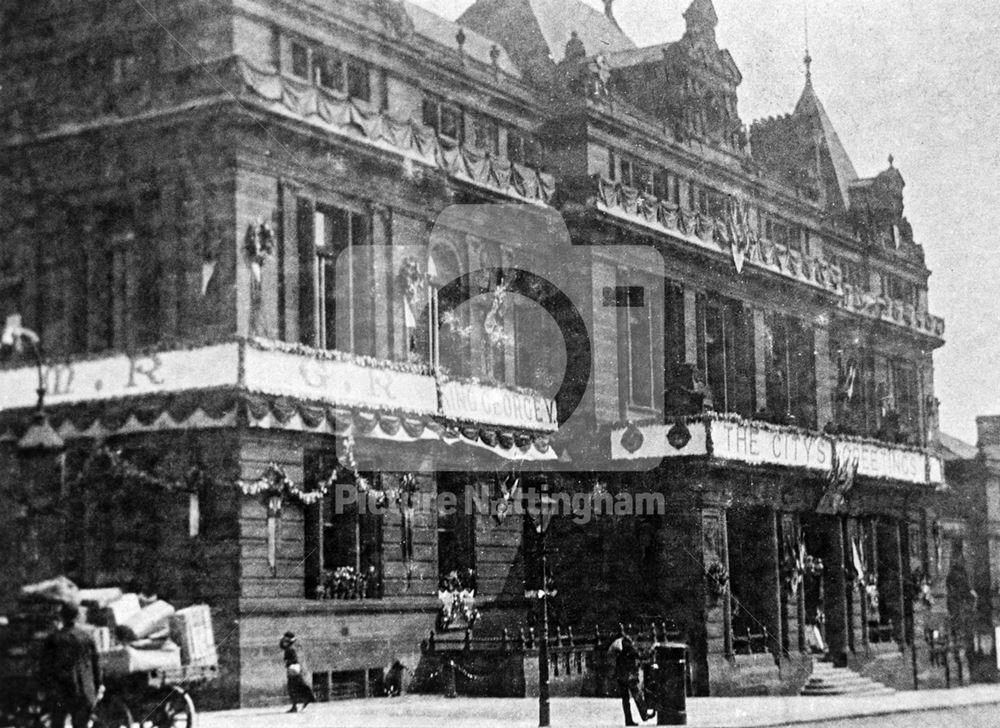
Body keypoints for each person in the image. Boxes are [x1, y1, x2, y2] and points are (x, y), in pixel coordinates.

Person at [39, 602, 103, 728]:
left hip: (61, 691)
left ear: (61, 617)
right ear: (78, 616)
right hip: (84, 689)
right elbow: (96, 664)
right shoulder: (87, 637)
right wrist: (97, 686)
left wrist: (45, 688)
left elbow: (45, 667)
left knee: (58, 723)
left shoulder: (53, 639)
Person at [608, 634, 650, 726]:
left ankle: (628, 720)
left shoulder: (620, 650)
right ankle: (644, 715)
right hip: (629, 677)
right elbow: (639, 655)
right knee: (637, 695)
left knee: (625, 700)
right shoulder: (629, 647)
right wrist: (649, 652)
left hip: (621, 677)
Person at [279, 632, 315, 713]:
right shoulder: (293, 645)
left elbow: (294, 658)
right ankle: (302, 702)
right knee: (298, 686)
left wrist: (289, 663)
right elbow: (281, 646)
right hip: (297, 669)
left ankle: (297, 705)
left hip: (293, 669)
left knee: (293, 687)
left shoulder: (290, 648)